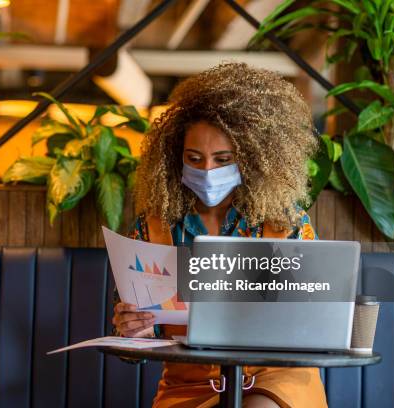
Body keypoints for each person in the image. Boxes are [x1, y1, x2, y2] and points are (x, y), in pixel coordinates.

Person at [112, 63, 327, 408]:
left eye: (222, 159)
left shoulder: (286, 225)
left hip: (275, 381)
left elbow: (315, 319)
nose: (207, 171)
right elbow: (135, 349)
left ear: (253, 158)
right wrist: (132, 330)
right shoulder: (152, 230)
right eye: (194, 158)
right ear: (174, 159)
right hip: (190, 388)